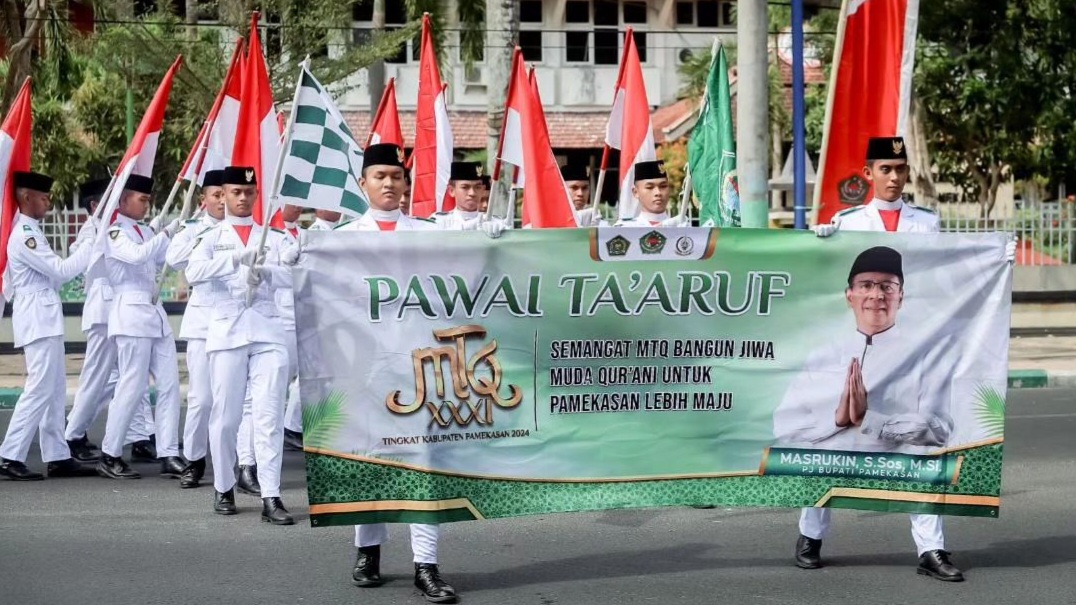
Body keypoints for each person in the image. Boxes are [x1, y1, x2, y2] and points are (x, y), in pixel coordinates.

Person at [802, 136, 1017, 582]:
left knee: (921, 454)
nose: (895, 178)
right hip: (849, 348)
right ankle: (810, 536)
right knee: (823, 446)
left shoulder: (927, 223)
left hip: (912, 346)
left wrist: (997, 257)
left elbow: (952, 271)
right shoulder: (846, 223)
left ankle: (931, 549)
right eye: (886, 170)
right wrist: (818, 243)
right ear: (869, 174)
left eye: (901, 169)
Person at [331, 143, 458, 603]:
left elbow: (467, 272)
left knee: (422, 464)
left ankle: (427, 564)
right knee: (369, 461)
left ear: (407, 184)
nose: (389, 184)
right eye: (379, 175)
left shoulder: (427, 234)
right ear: (363, 183)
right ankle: (368, 551)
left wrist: (494, 237)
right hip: (360, 368)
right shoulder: (341, 238)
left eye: (396, 176)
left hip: (416, 366)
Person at [185, 165, 295, 525]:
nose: (243, 198)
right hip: (227, 331)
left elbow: (295, 279)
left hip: (267, 332)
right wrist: (234, 259)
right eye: (235, 192)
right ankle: (223, 485)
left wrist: (267, 273)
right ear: (224, 195)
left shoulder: (272, 237)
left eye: (249, 192)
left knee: (268, 416)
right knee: (227, 416)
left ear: (256, 195)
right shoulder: (210, 236)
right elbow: (192, 273)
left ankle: (271, 494)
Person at [0, 172, 98, 480]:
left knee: (55, 389)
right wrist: (91, 242)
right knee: (40, 388)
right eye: (44, 197)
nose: (48, 202)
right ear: (26, 197)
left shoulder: (32, 230)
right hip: (37, 318)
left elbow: (54, 276)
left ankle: (57, 455)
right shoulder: (24, 234)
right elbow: (62, 270)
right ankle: (9, 454)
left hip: (45, 315)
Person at [96, 175, 184, 480]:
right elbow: (136, 256)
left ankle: (169, 452)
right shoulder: (115, 232)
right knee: (132, 387)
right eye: (141, 199)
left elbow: (164, 258)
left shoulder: (143, 230)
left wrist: (178, 235)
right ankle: (110, 452)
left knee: (171, 385)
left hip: (154, 313)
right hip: (131, 313)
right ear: (123, 200)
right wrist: (164, 233)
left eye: (148, 200)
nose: (147, 205)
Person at [64, 179, 156, 463]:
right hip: (104, 309)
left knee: (132, 376)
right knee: (98, 376)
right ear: (95, 206)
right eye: (111, 199)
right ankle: (72, 434)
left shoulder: (123, 228)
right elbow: (78, 259)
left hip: (123, 308)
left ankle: (141, 436)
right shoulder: (92, 229)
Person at [165, 169, 226, 488]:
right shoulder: (193, 229)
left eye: (223, 194)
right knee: (202, 398)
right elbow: (174, 259)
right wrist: (204, 237)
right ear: (204, 199)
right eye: (215, 195)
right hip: (203, 321)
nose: (221, 201)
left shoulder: (240, 228)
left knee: (232, 400)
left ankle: (240, 464)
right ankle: (194, 460)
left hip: (234, 320)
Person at [613, 160, 689, 227]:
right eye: (650, 187)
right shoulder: (626, 229)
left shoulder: (681, 227)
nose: (658, 193)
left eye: (663, 186)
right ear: (635, 192)